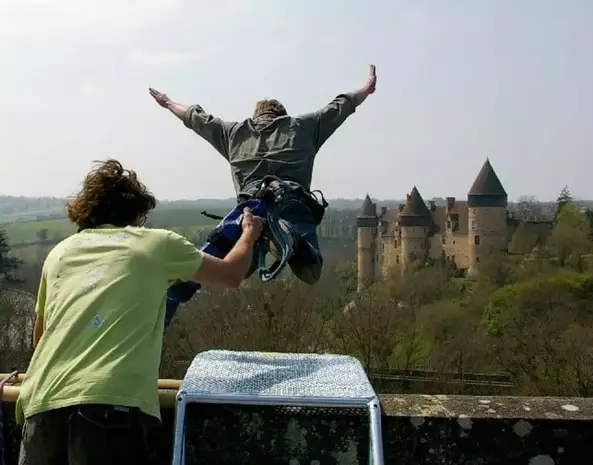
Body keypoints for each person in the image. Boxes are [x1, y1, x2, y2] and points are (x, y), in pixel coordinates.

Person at [16, 159, 264, 465]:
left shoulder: (60, 253)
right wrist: (248, 235)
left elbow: (41, 338)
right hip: (112, 407)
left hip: (42, 407)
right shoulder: (156, 243)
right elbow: (230, 275)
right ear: (137, 214)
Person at [149, 64, 377, 284]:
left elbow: (196, 118)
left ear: (257, 115)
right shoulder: (304, 127)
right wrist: (366, 89)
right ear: (282, 114)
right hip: (293, 203)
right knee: (311, 272)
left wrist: (168, 102)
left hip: (250, 208)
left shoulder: (234, 134)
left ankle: (253, 239)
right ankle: (290, 238)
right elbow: (339, 107)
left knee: (238, 270)